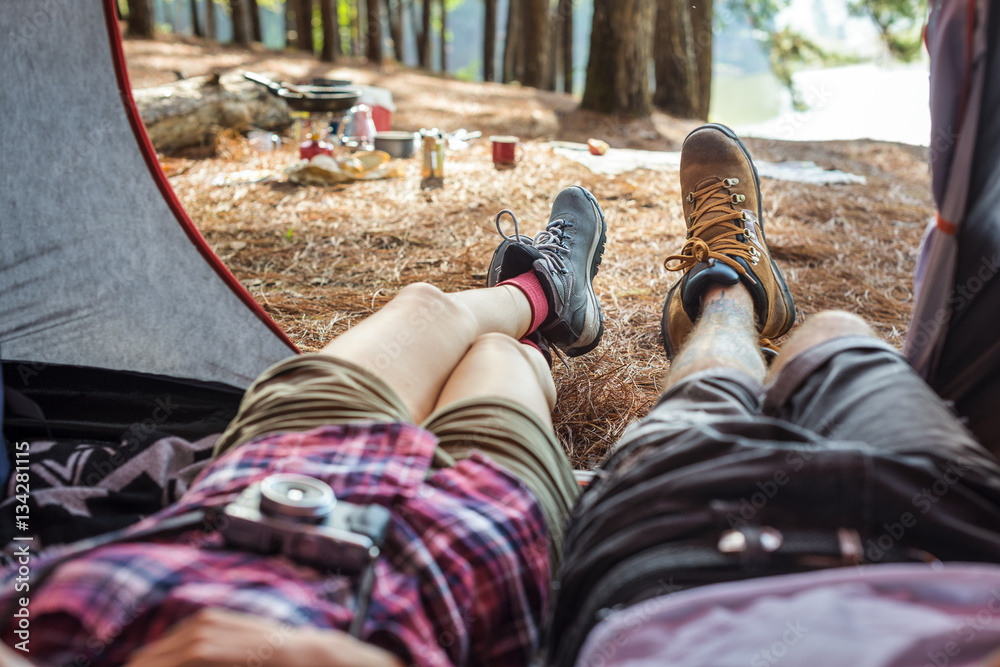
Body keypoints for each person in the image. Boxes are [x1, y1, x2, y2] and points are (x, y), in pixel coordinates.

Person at [0, 186, 608, 666]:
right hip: (459, 558)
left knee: (425, 306)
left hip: (257, 496)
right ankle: (537, 334)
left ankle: (544, 295)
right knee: (501, 359)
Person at [543, 124, 1000, 667]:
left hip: (672, 568)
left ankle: (723, 288)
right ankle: (743, 284)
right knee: (835, 332)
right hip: (961, 538)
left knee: (713, 376)